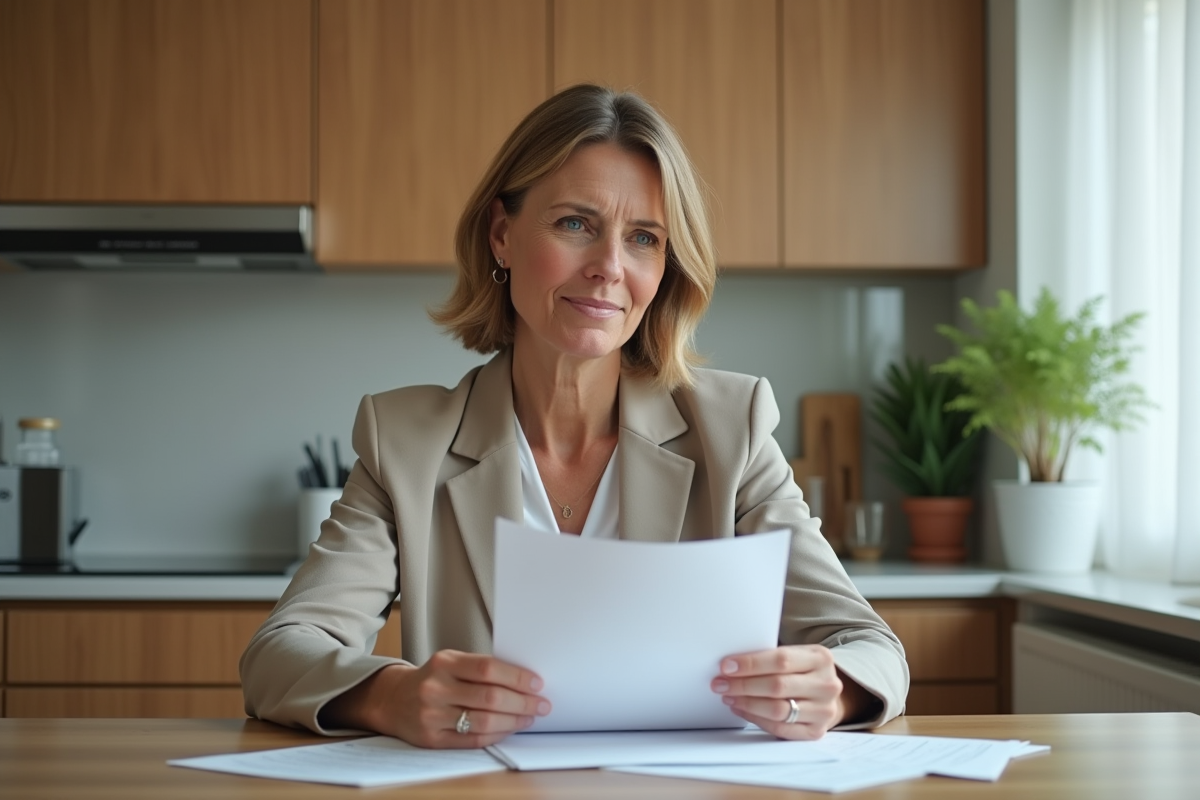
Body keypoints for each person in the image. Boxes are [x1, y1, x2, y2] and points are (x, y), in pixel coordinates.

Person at [240, 84, 908, 749]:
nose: (610, 268)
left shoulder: (730, 431)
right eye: (575, 225)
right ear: (503, 235)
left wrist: (833, 684)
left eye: (643, 238)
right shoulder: (408, 444)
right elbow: (279, 655)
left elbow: (871, 648)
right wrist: (392, 697)